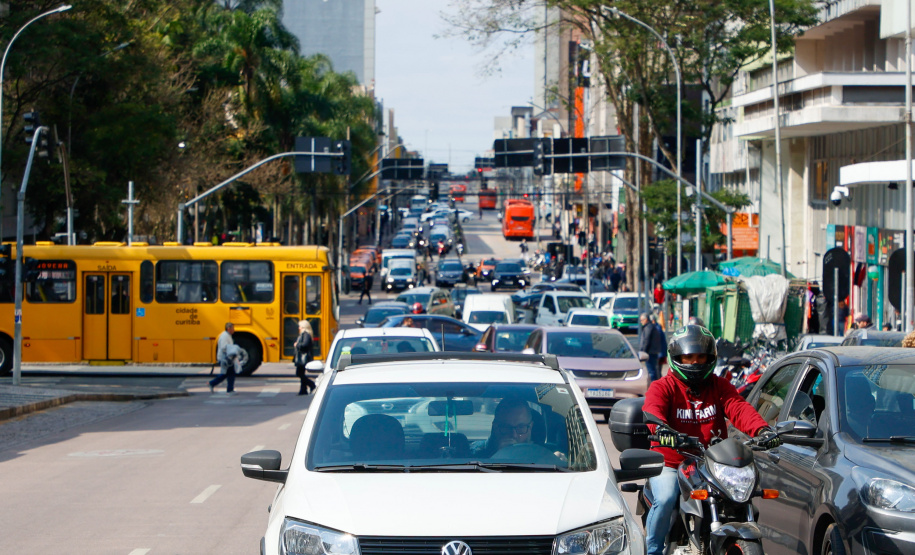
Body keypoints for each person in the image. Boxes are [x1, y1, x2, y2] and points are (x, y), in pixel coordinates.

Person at [642, 325, 780, 555]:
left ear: (711, 358)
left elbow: (738, 408)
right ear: (676, 358)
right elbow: (653, 410)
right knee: (666, 499)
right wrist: (661, 429)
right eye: (688, 357)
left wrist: (762, 430)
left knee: (742, 497)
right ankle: (653, 550)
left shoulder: (719, 385)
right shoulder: (662, 386)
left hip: (711, 464)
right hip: (671, 462)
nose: (695, 362)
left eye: (701, 357)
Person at [209, 322, 239, 394]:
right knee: (230, 373)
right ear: (229, 328)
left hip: (227, 358)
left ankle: (213, 383)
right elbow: (223, 347)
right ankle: (229, 390)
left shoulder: (227, 335)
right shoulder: (225, 336)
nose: (234, 330)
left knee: (227, 374)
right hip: (225, 359)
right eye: (233, 328)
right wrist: (232, 350)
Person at [294, 320, 316, 395]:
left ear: (303, 327)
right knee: (301, 373)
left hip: (303, 358)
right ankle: (303, 390)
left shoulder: (306, 334)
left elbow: (305, 345)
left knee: (299, 373)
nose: (299, 328)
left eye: (300, 326)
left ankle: (311, 384)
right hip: (302, 358)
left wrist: (297, 344)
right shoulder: (304, 334)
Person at [639, 313, 663, 382]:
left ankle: (654, 385)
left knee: (651, 371)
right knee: (653, 370)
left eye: (642, 320)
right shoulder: (651, 327)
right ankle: (655, 384)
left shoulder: (648, 327)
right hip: (653, 351)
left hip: (650, 352)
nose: (641, 322)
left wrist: (643, 352)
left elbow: (646, 340)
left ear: (646, 319)